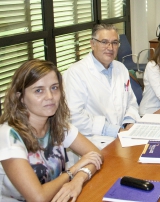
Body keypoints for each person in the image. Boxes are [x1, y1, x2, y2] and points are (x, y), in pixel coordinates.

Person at [0, 60, 103, 202]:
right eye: (38, 90)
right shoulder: (9, 135)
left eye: (54, 88)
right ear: (21, 98)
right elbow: (38, 198)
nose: (50, 96)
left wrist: (78, 180)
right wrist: (73, 171)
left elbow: (96, 154)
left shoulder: (57, 124)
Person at [63, 24, 140, 146]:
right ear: (92, 44)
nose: (110, 47)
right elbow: (74, 117)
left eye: (115, 43)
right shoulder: (76, 73)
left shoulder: (121, 68)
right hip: (94, 142)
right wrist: (114, 130)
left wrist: (129, 123)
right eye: (104, 42)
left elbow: (131, 102)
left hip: (124, 136)